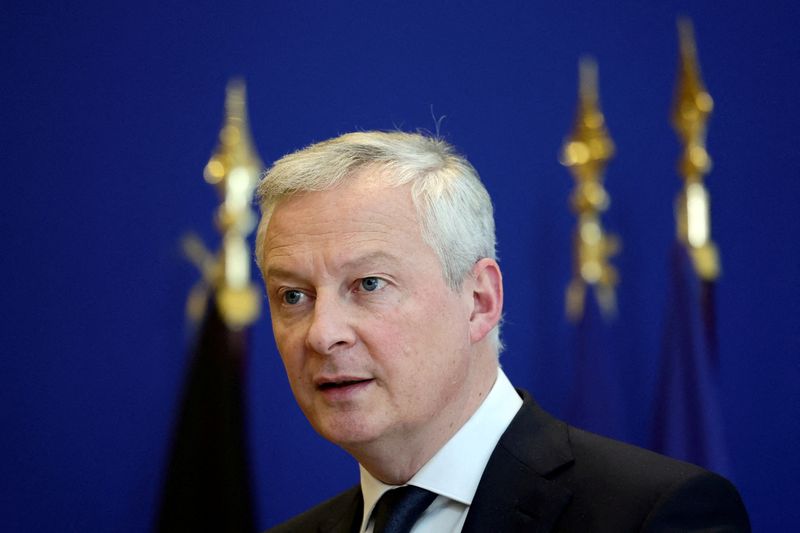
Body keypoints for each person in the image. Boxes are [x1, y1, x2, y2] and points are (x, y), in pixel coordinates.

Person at [255, 131, 749, 532]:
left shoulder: (653, 515)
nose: (323, 334)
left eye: (368, 284)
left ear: (479, 301)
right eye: (292, 296)